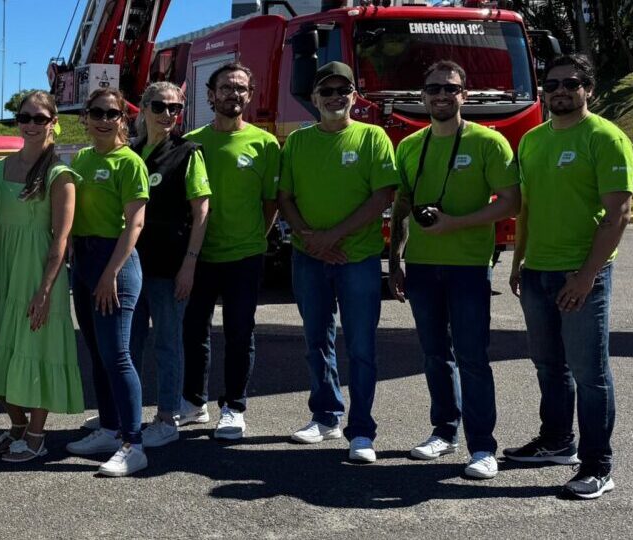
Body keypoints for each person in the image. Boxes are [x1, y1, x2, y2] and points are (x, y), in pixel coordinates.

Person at [505, 54, 633, 500]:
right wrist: (519, 261)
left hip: (581, 275)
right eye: (552, 83)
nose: (560, 89)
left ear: (589, 89)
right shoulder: (532, 141)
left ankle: (598, 465)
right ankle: (557, 442)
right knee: (548, 366)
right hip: (538, 271)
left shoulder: (606, 137)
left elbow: (619, 214)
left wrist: (585, 277)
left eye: (572, 83)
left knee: (589, 372)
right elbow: (527, 210)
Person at [387, 61, 519, 480]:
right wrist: (394, 262)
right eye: (433, 89)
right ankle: (444, 431)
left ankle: (483, 447)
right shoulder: (409, 146)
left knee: (472, 357)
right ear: (422, 95)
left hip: (468, 267)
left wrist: (455, 224)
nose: (441, 95)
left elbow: (511, 202)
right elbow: (402, 208)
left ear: (465, 94)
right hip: (422, 267)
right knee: (434, 355)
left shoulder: (488, 142)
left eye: (451, 88)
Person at [277, 61, 398, 463]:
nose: (334, 98)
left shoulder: (372, 137)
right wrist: (310, 239)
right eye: (326, 92)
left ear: (354, 96)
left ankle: (361, 432)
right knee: (317, 342)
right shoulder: (297, 142)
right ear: (313, 99)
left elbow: (382, 197)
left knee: (361, 347)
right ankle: (326, 416)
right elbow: (285, 198)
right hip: (309, 258)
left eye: (342, 91)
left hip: (357, 258)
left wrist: (332, 237)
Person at [0, 90, 84, 463]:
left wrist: (45, 290)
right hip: (4, 273)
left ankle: (37, 434)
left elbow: (61, 239)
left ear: (53, 122)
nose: (31, 124)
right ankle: (17, 425)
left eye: (40, 118)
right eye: (25, 117)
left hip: (41, 276)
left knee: (38, 350)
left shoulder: (60, 175)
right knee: (0, 349)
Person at [182, 63, 281, 440]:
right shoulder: (191, 142)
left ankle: (234, 407)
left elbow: (270, 202)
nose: (233, 94)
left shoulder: (265, 143)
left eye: (241, 88)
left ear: (250, 95)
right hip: (199, 255)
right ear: (210, 94)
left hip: (245, 255)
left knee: (240, 332)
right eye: (225, 87)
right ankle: (194, 403)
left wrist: (257, 237)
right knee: (194, 329)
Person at [62, 88, 151, 477]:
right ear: (85, 116)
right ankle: (110, 428)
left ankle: (134, 443)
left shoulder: (129, 162)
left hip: (114, 262)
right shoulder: (81, 159)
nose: (102, 118)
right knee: (97, 354)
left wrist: (111, 273)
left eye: (111, 112)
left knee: (117, 355)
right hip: (83, 261)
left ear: (122, 119)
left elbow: (135, 223)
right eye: (95, 111)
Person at [127, 82, 210, 447]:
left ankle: (166, 418)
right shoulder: (129, 152)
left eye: (175, 109)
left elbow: (201, 210)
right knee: (128, 342)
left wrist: (190, 264)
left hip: (169, 266)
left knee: (167, 343)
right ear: (143, 108)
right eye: (159, 106)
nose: (167, 115)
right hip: (131, 265)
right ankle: (124, 411)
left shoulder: (188, 153)